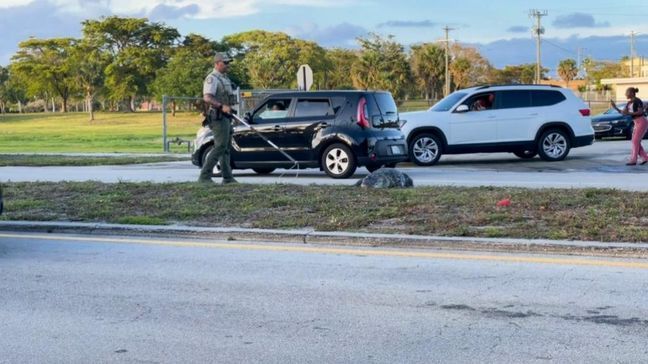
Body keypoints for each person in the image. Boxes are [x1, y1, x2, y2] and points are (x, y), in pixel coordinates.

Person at [198, 52, 239, 184]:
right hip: (217, 117)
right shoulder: (212, 78)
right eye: (225, 63)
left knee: (226, 147)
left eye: (228, 63)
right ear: (217, 63)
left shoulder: (225, 78)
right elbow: (207, 97)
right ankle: (204, 176)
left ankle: (227, 177)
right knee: (220, 146)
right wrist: (221, 106)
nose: (228, 65)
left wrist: (233, 114)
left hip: (226, 117)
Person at [611, 87, 648, 166]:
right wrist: (615, 108)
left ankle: (633, 160)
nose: (625, 94)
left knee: (635, 141)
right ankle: (645, 158)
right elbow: (623, 113)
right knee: (635, 141)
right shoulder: (629, 103)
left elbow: (640, 111)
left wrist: (629, 113)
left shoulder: (637, 101)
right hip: (636, 122)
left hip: (642, 121)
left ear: (631, 93)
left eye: (626, 92)